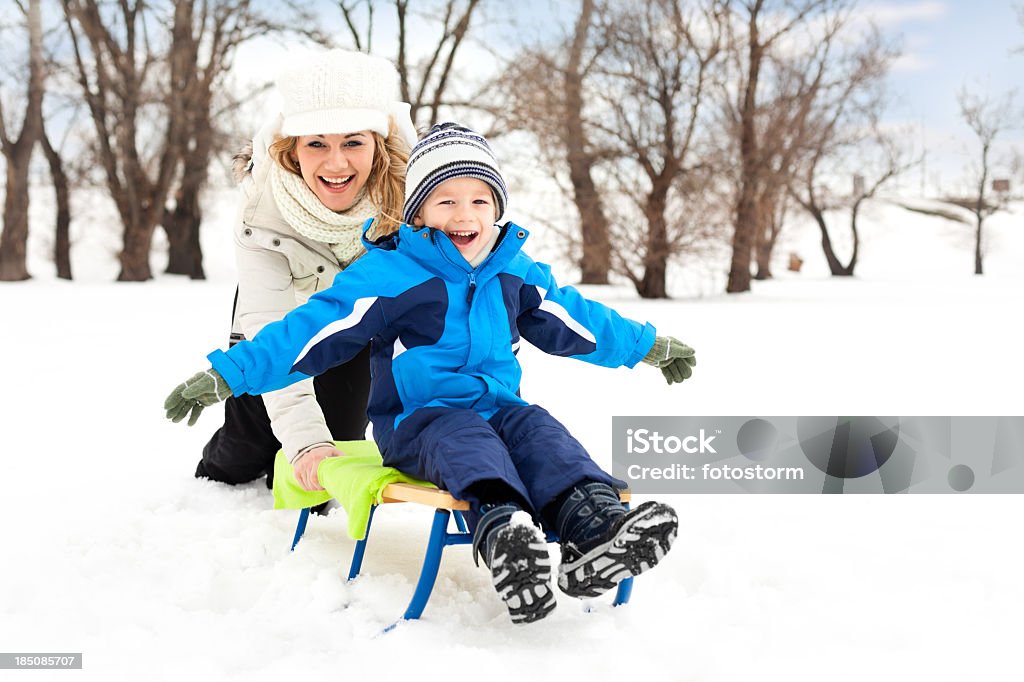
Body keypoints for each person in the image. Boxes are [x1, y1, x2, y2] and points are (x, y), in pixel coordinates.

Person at [164, 123, 697, 625]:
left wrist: (645, 346)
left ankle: (595, 527)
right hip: (418, 423)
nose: (464, 215)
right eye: (446, 201)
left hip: (499, 409)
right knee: (464, 436)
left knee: (541, 432)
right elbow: (309, 328)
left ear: (497, 208)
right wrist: (231, 373)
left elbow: (575, 317)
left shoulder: (513, 270)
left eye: (479, 200)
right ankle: (506, 534)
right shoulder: (391, 274)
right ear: (419, 212)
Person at [188, 48, 415, 493]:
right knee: (245, 451)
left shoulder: (414, 202)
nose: (336, 164)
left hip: (353, 333)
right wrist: (305, 442)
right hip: (277, 323)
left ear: (379, 144)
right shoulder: (261, 211)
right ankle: (230, 457)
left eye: (353, 142)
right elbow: (267, 323)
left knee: (322, 476)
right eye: (317, 143)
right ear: (292, 148)